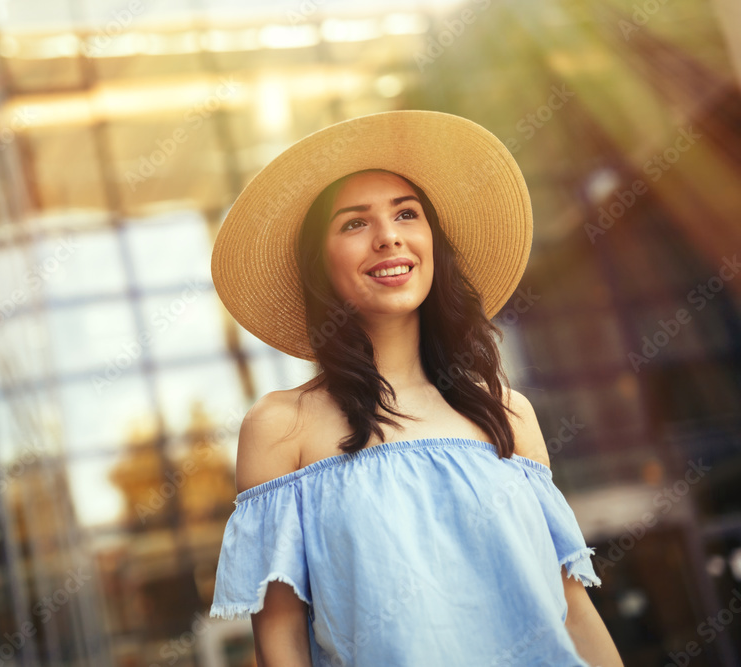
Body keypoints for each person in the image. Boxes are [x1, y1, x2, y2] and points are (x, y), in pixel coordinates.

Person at [207, 110, 624, 666]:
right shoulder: (282, 427)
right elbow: (280, 641)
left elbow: (571, 610)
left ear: (433, 242)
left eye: (407, 214)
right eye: (355, 223)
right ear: (319, 264)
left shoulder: (508, 413)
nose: (388, 237)